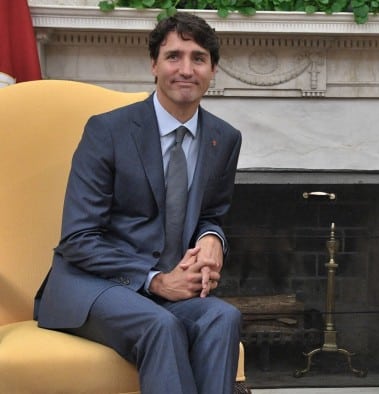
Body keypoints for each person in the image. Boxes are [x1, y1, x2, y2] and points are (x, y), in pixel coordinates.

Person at [33, 12, 243, 394]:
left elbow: (210, 213)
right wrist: (157, 280)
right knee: (159, 325)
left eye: (198, 58)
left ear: (213, 71)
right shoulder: (107, 131)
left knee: (223, 316)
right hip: (91, 286)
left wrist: (213, 238)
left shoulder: (223, 138)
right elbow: (78, 238)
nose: (186, 69)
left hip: (170, 287)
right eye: (173, 56)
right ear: (153, 65)